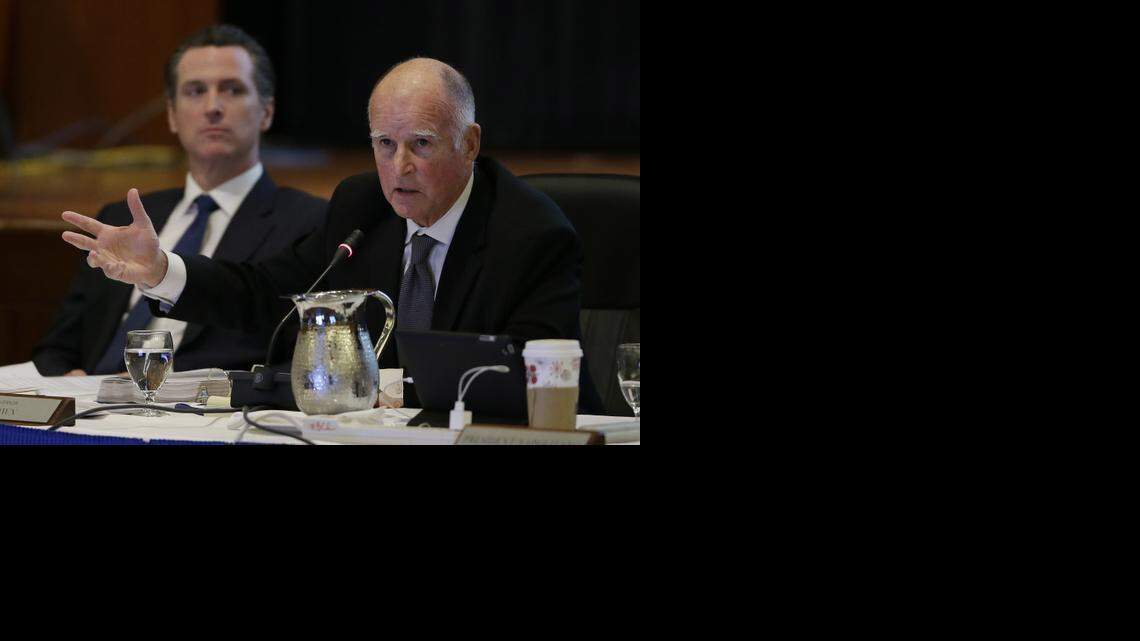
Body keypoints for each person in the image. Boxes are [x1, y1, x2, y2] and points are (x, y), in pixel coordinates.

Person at [59, 57, 601, 411]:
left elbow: (533, 379)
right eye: (384, 144)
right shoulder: (362, 205)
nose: (400, 167)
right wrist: (161, 271)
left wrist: (386, 388)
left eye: (423, 144)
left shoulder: (531, 234)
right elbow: (268, 296)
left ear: (471, 142)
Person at [34, 24, 327, 376]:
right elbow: (56, 350)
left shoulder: (307, 222)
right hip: (92, 408)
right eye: (195, 91)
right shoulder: (121, 217)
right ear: (172, 114)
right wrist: (69, 381)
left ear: (266, 111)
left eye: (232, 90)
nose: (213, 107)